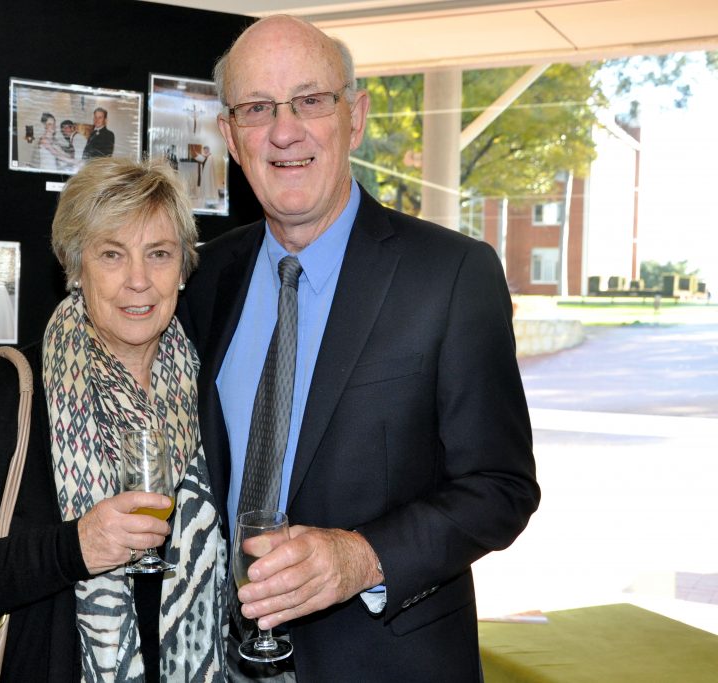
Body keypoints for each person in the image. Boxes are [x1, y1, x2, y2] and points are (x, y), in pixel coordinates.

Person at [177, 16, 540, 681]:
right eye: (258, 108)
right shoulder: (204, 280)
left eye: (311, 100)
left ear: (356, 116)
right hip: (220, 662)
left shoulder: (451, 275)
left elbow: (501, 486)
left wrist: (361, 556)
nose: (284, 131)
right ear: (229, 135)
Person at [0, 157, 226, 681]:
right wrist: (74, 547)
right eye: (112, 254)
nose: (139, 281)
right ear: (74, 268)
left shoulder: (213, 389)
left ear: (182, 270)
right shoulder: (9, 388)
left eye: (158, 254)